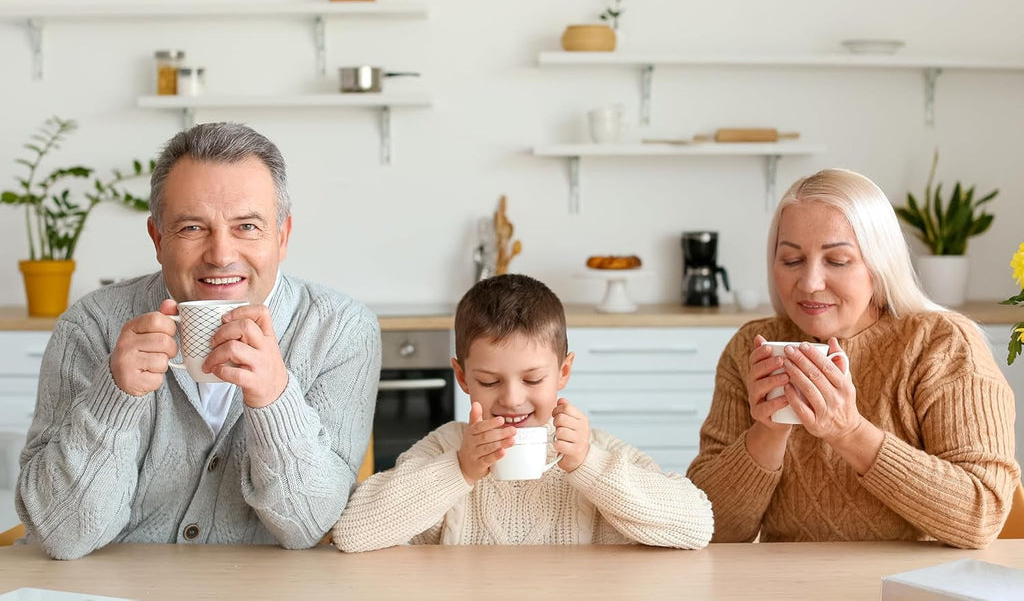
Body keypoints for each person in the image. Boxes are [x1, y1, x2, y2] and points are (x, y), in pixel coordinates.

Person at [16, 122, 382, 560]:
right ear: (157, 238)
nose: (221, 254)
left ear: (282, 237)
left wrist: (274, 399)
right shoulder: (91, 325)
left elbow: (308, 526)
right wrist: (114, 399)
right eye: (192, 228)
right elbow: (61, 533)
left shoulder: (341, 329)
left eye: (247, 226)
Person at [687, 168, 1019, 549]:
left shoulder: (942, 344)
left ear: (880, 265)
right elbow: (708, 527)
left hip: (915, 584)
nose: (810, 282)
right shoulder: (751, 347)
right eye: (792, 260)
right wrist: (769, 429)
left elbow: (982, 517)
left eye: (838, 261)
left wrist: (848, 431)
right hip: (787, 583)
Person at [332, 273, 714, 551]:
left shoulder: (592, 449)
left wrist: (588, 465)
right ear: (463, 378)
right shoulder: (449, 446)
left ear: (563, 372)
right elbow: (352, 532)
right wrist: (460, 469)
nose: (513, 399)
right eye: (489, 381)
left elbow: (697, 525)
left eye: (532, 380)